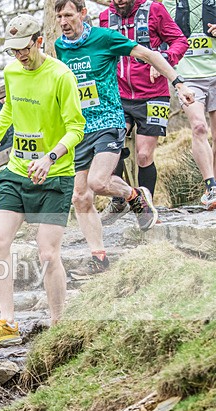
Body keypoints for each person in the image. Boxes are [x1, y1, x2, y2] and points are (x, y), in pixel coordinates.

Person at [54, 0, 195, 280]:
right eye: (59, 16)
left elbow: (148, 54)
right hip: (80, 127)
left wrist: (177, 82)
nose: (63, 21)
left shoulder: (104, 37)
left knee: (98, 182)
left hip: (108, 120)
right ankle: (99, 258)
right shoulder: (60, 46)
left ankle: (133, 195)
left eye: (68, 15)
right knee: (80, 196)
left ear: (82, 14)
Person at [0, 14, 85, 346]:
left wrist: (50, 158)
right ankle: (7, 322)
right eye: (14, 51)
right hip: (17, 173)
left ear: (39, 41)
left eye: (24, 49)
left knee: (48, 254)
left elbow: (76, 128)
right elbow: (9, 108)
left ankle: (58, 323)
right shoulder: (12, 71)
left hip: (55, 176)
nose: (19, 57)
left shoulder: (61, 76)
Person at [98, 0, 190, 225]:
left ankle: (145, 209)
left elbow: (179, 41)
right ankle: (119, 198)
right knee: (112, 145)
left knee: (143, 155)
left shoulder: (155, 9)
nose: (118, 2)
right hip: (117, 94)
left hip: (153, 94)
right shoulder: (104, 17)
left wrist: (163, 61)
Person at [163, 0, 216, 210]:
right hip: (187, 77)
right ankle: (210, 185)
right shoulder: (168, 3)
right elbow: (156, 32)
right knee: (199, 127)